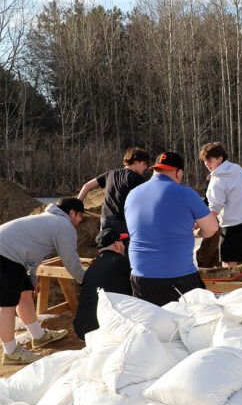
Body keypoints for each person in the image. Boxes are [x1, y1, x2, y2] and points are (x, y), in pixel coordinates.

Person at [124, 152, 219, 306]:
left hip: (140, 277)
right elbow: (212, 228)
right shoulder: (186, 193)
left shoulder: (132, 195)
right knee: (190, 322)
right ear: (178, 173)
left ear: (155, 170)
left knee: (151, 324)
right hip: (178, 276)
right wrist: (197, 233)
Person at [0, 198, 85, 365]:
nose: (80, 221)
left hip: (12, 255)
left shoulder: (49, 221)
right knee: (6, 305)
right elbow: (70, 261)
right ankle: (10, 352)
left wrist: (31, 279)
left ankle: (38, 336)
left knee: (25, 293)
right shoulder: (64, 225)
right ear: (71, 213)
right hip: (5, 255)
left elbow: (33, 252)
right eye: (80, 215)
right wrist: (86, 281)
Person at [199, 142, 242, 272]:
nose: (206, 164)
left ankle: (235, 292)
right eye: (205, 161)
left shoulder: (216, 181)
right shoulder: (236, 168)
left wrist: (198, 224)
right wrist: (237, 200)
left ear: (220, 159)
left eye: (209, 160)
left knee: (229, 267)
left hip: (232, 227)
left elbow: (214, 210)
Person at [77, 148, 150, 239]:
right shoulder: (138, 179)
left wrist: (77, 205)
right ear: (135, 162)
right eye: (144, 164)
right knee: (123, 251)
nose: (145, 167)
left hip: (105, 220)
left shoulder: (110, 174)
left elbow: (86, 186)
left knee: (106, 249)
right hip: (123, 222)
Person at [73, 230, 131, 340]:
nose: (124, 246)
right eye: (122, 243)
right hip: (105, 331)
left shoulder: (92, 268)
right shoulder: (122, 262)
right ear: (116, 244)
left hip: (82, 330)